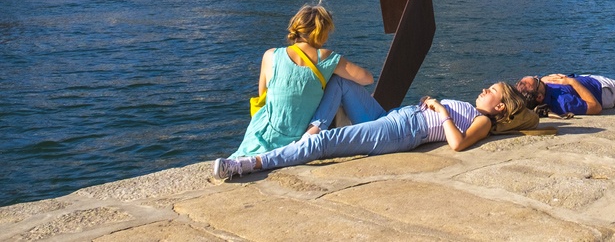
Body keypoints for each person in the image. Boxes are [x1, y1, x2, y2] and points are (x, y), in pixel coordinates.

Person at [211, 81, 529, 179]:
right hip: (396, 116)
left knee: (326, 143)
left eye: (492, 91)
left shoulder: (484, 121)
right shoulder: (478, 112)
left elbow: (458, 144)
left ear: (500, 107)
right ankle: (312, 128)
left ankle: (247, 164)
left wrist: (441, 110)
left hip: (401, 132)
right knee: (340, 85)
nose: (485, 90)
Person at [229, 2, 373, 159]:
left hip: (258, 137)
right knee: (337, 81)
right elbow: (367, 79)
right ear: (321, 32)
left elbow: (263, 95)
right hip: (298, 140)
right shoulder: (327, 58)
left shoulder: (271, 55)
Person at [515, 73, 615, 117]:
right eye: (537, 80)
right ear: (538, 97)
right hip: (604, 91)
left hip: (588, 80)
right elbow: (595, 107)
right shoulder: (563, 103)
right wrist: (572, 83)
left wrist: (543, 79)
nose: (540, 78)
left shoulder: (540, 89)